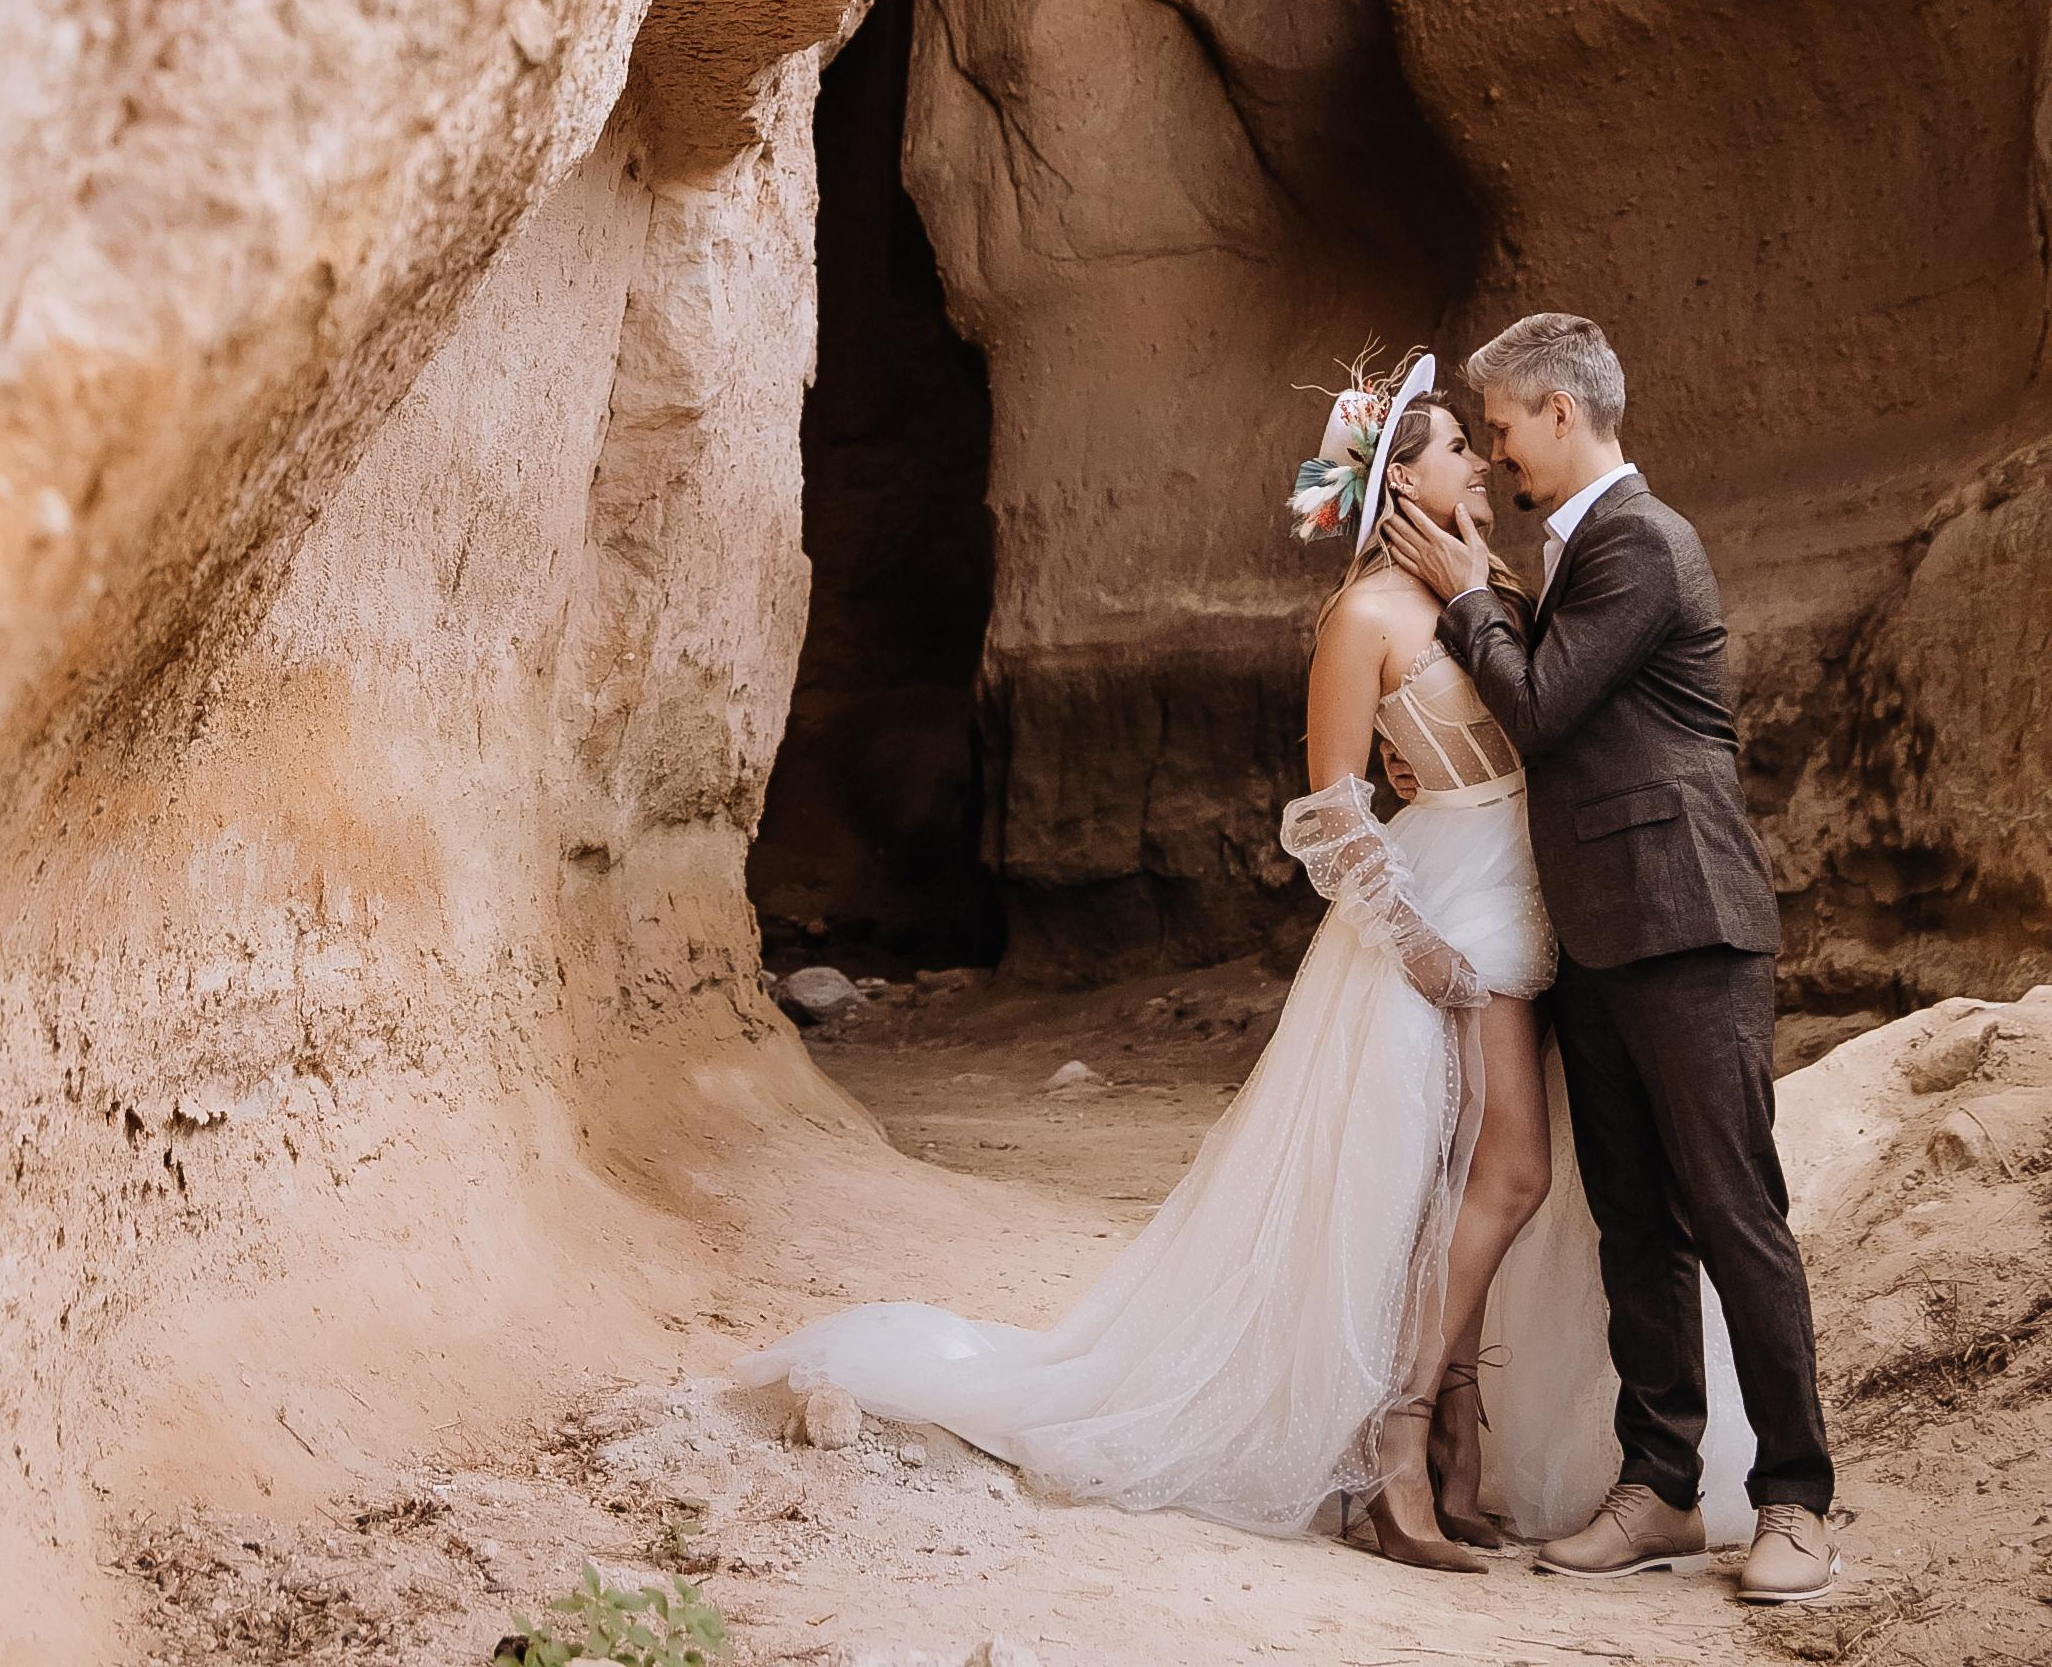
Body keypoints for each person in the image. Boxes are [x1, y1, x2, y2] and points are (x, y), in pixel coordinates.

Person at [738, 354, 1750, 1573]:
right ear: (1401, 482)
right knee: (1503, 1176)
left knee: (1468, 1189)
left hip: (1535, 904)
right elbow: (1329, 809)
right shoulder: (1361, 618)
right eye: (1455, 447)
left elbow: (1547, 717)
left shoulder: (1493, 589)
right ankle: (1392, 1451)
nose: (1482, 461)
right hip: (1452, 918)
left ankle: (1452, 1448)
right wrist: (1413, 939)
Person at [1381, 310, 1837, 1608]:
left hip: (1688, 925)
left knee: (1734, 1214)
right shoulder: (1573, 550)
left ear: (1561, 413)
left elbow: (1539, 705)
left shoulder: (1641, 540)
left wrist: (1466, 599)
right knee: (1633, 1224)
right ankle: (1660, 1488)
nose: (1497, 455)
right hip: (1594, 935)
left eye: (1505, 428)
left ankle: (1797, 1503)